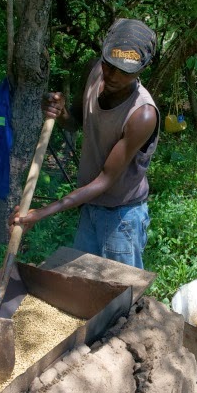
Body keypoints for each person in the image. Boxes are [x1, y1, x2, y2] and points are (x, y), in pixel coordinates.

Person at [11, 18, 159, 269]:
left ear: (141, 70)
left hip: (122, 217)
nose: (113, 76)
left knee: (122, 294)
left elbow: (104, 180)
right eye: (110, 65)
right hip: (91, 207)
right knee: (83, 280)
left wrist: (41, 213)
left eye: (125, 71)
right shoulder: (94, 72)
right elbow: (77, 121)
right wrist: (59, 112)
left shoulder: (142, 115)